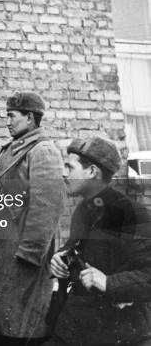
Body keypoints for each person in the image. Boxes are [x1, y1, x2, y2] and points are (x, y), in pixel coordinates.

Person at [0, 91, 66, 346]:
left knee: (23, 322)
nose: (7, 121)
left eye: (11, 116)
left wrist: (31, 252)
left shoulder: (43, 151)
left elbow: (46, 207)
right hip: (3, 245)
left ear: (29, 117)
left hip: (24, 250)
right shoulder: (12, 150)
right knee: (2, 315)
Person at [43, 137, 151, 346]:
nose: (64, 173)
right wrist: (61, 257)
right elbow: (77, 247)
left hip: (119, 332)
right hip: (76, 326)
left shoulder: (130, 214)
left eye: (69, 167)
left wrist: (109, 282)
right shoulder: (84, 209)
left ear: (92, 171)